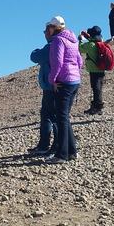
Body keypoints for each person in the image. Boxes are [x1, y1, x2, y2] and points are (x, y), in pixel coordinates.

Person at [45, 16, 82, 163]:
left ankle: (62, 154)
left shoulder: (58, 40)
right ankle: (72, 151)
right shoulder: (73, 40)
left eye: (50, 27)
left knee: (61, 117)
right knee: (64, 116)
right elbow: (79, 60)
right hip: (74, 81)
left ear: (54, 27)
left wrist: (52, 80)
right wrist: (76, 73)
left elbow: (57, 62)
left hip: (63, 82)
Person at [28, 36, 56, 155]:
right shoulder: (67, 44)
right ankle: (56, 144)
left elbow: (34, 56)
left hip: (51, 86)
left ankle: (47, 145)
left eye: (46, 31)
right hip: (62, 84)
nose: (44, 33)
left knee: (48, 115)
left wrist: (37, 51)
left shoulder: (51, 46)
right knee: (54, 115)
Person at [80, 26, 106, 115]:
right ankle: (97, 106)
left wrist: (81, 39)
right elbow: (91, 40)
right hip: (101, 69)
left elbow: (80, 48)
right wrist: (86, 36)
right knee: (98, 88)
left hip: (93, 70)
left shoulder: (90, 45)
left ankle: (97, 108)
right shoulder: (101, 42)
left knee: (96, 89)